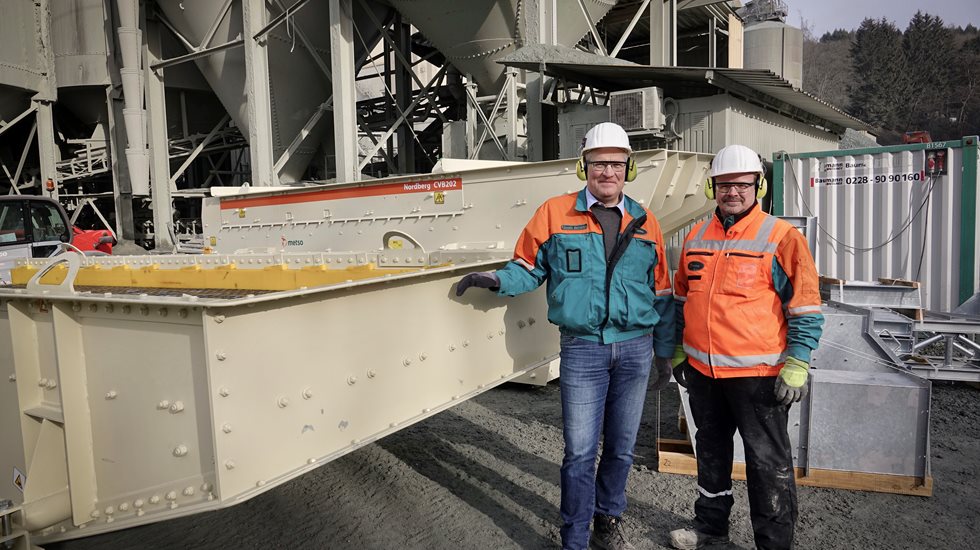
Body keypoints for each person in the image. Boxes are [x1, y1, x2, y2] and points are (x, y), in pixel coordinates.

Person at [455, 122, 675, 550]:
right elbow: (528, 266)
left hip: (635, 350)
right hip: (583, 350)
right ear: (584, 166)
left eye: (615, 163)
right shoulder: (555, 213)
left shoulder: (647, 223)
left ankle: (607, 519)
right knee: (578, 451)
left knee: (622, 448)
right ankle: (574, 536)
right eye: (598, 163)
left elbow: (661, 290)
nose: (606, 172)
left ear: (627, 168)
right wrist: (497, 279)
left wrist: (664, 351)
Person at [668, 144, 824, 550]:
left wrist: (799, 361)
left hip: (759, 377)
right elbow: (682, 299)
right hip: (704, 375)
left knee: (766, 465)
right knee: (712, 452)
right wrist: (680, 349)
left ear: (759, 185)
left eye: (741, 184)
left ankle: (772, 545)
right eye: (723, 184)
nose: (732, 192)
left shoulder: (781, 237)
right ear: (712, 188)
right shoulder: (696, 237)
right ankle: (710, 528)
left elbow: (806, 305)